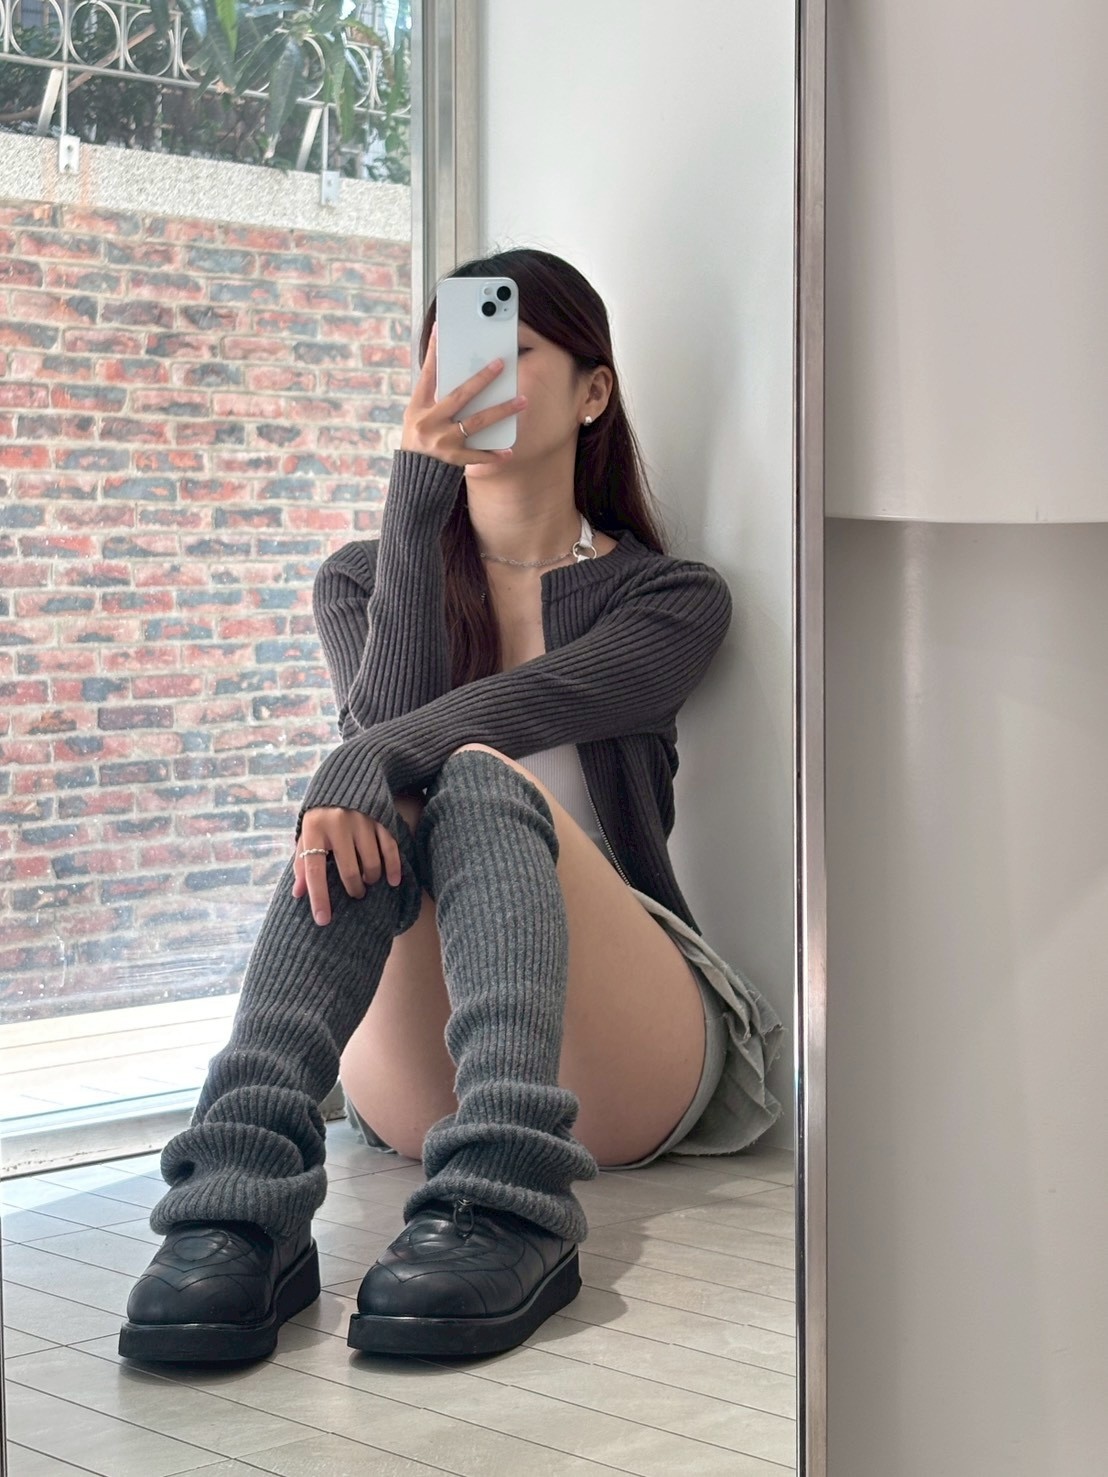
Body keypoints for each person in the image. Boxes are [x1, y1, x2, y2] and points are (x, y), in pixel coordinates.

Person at [119, 247, 783, 1367]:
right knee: (369, 810)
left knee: (468, 771)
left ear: (593, 391)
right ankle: (234, 1206)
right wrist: (414, 501)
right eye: (448, 357)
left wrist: (363, 758)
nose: (470, 379)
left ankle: (514, 1203)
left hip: (629, 1046)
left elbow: (432, 732)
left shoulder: (667, 600)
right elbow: (381, 763)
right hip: (421, 1076)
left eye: (508, 352)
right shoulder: (358, 581)